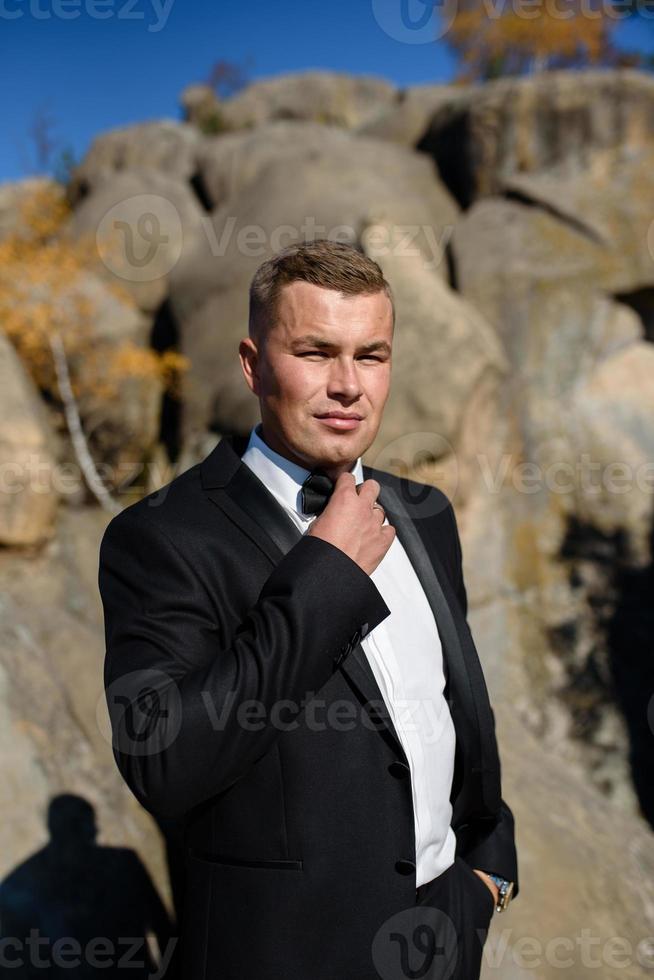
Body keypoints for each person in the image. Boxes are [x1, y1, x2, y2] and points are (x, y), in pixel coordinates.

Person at [99, 239, 519, 980]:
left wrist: (487, 877)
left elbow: (452, 711)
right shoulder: (160, 537)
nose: (348, 384)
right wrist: (323, 572)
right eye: (317, 351)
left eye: (371, 354)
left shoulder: (426, 515)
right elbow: (162, 762)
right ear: (253, 364)